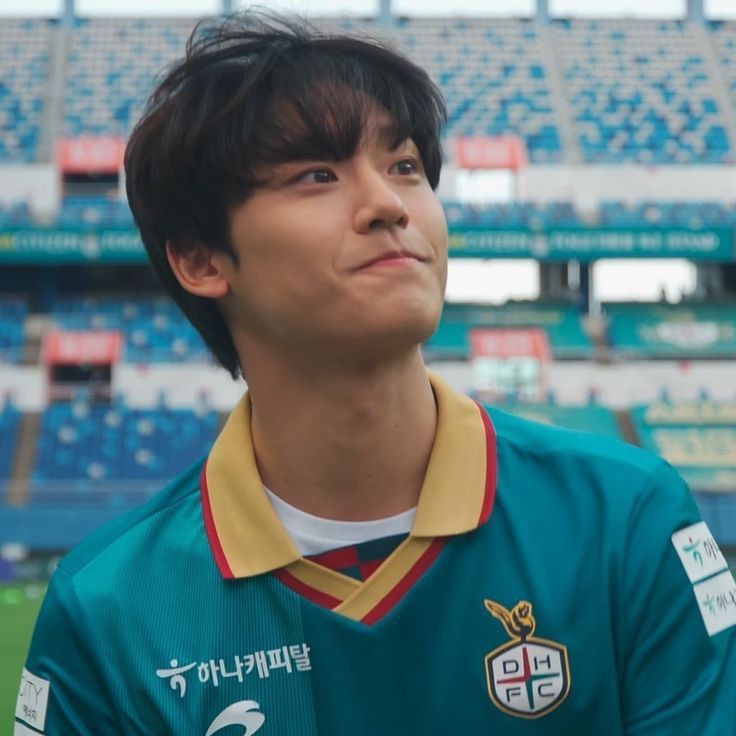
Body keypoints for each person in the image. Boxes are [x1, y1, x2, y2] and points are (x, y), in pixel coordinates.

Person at [16, 12, 736, 736]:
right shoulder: (108, 609)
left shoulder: (626, 520)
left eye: (405, 167)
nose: (390, 205)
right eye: (318, 175)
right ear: (202, 260)